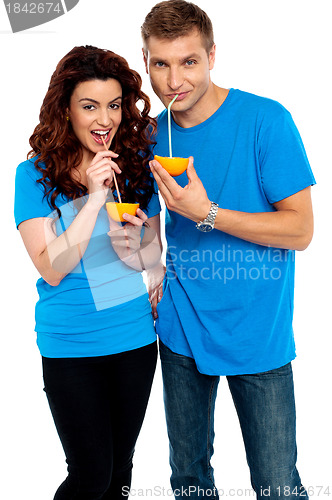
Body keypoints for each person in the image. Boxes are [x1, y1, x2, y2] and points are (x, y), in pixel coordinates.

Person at [141, 1, 315, 499]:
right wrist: (151, 271)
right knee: (190, 480)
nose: (175, 80)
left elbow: (301, 231)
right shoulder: (152, 134)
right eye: (161, 64)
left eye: (188, 61)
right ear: (147, 63)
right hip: (181, 330)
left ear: (212, 55)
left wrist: (207, 212)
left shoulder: (266, 120)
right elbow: (145, 222)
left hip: (258, 332)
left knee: (278, 485)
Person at [14, 45, 164, 500]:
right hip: (71, 345)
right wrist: (94, 196)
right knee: (89, 476)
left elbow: (153, 258)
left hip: (134, 341)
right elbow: (51, 267)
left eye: (114, 105)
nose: (105, 119)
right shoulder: (34, 176)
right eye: (90, 106)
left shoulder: (134, 171)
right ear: (67, 109)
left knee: (120, 473)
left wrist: (141, 252)